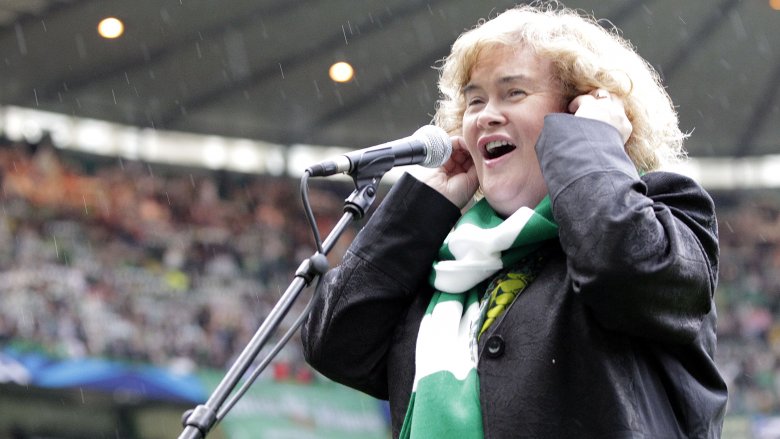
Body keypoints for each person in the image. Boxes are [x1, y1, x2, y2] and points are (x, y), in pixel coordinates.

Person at [301, 2, 727, 438]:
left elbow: (622, 267)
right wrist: (419, 208)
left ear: (582, 112)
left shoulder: (667, 213)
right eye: (475, 101)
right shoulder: (447, 265)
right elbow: (336, 343)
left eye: (514, 93)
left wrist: (591, 144)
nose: (485, 115)